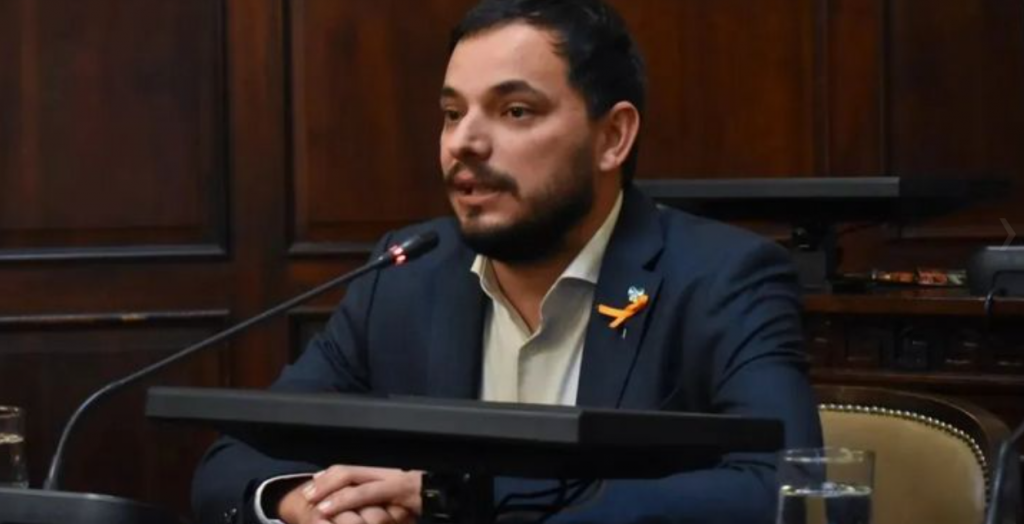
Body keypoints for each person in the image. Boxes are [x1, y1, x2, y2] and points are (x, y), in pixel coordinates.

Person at [192, 0, 822, 522]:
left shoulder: (721, 278)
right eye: (452, 113)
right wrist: (305, 502)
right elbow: (237, 457)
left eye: (514, 111)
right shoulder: (405, 276)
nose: (464, 141)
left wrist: (461, 498)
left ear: (612, 137)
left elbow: (782, 484)